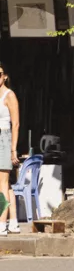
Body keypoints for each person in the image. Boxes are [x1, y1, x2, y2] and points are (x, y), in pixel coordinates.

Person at [0, 66, 18, 233]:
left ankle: (1, 223)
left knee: (2, 183)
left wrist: (13, 149)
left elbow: (16, 124)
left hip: (3, 137)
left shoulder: (9, 95)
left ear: (4, 76)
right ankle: (13, 221)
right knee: (6, 184)